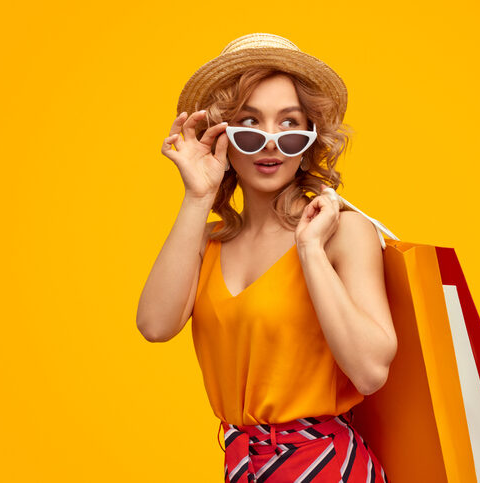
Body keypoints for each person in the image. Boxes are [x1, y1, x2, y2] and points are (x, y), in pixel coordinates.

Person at [137, 33, 396, 482]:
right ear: (222, 135)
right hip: (245, 466)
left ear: (310, 135)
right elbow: (155, 326)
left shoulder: (342, 232)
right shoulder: (208, 242)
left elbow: (371, 371)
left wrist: (310, 249)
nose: (271, 141)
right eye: (249, 122)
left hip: (329, 469)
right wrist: (198, 196)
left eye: (289, 121)